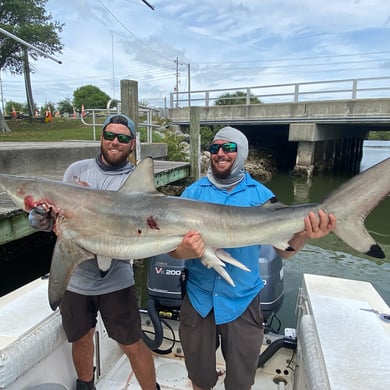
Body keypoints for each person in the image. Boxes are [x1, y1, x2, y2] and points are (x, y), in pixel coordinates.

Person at [169, 126, 336, 390]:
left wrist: (304, 233)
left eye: (229, 148)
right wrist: (190, 250)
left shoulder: (262, 197)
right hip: (199, 299)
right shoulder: (191, 195)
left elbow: (284, 251)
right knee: (199, 378)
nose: (220, 154)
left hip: (243, 300)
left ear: (242, 152)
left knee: (240, 382)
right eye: (215, 148)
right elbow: (173, 251)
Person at [28, 114, 159, 390]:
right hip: (76, 277)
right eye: (109, 135)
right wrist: (39, 219)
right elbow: (52, 213)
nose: (115, 141)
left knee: (131, 342)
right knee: (82, 336)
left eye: (123, 138)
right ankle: (86, 385)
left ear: (132, 144)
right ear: (100, 137)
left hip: (117, 277)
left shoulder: (133, 179)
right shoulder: (76, 171)